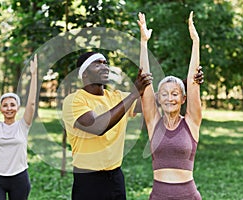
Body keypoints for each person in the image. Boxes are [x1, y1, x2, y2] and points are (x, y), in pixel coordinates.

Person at [62, 52, 153, 200]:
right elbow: (98, 127)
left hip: (115, 178)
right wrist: (134, 94)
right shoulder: (73, 101)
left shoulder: (117, 97)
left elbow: (155, 101)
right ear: (84, 73)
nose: (105, 67)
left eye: (105, 63)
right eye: (97, 64)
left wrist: (188, 82)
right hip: (88, 180)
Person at [138, 11, 202, 199]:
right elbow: (145, 81)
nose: (169, 98)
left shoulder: (191, 122)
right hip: (159, 195)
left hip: (188, 195)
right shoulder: (154, 124)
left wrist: (195, 42)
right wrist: (143, 43)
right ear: (159, 99)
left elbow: (193, 83)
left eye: (175, 94)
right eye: (164, 94)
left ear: (183, 99)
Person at [0, 52, 38, 200]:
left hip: (20, 179)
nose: (9, 108)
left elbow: (31, 103)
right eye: (5, 105)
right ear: (0, 109)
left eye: (12, 105)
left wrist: (34, 75)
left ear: (18, 108)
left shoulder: (23, 125)